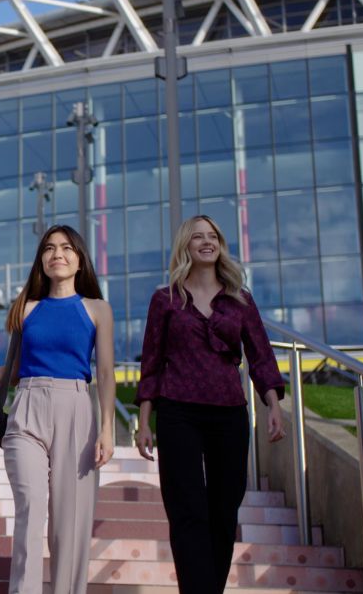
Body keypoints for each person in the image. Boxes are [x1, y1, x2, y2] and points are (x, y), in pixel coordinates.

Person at [0, 224, 116, 594]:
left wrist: (107, 429)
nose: (57, 253)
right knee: (31, 507)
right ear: (41, 260)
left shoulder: (98, 309)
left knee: (69, 522)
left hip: (76, 408)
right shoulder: (27, 307)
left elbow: (103, 372)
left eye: (67, 248)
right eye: (49, 248)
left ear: (80, 260)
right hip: (27, 411)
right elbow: (15, 371)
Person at [134, 215, 287, 594]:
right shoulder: (164, 299)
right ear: (186, 246)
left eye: (213, 235)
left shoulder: (240, 299)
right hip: (177, 412)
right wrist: (144, 421)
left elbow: (261, 355)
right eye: (198, 236)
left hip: (228, 413)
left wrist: (273, 404)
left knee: (223, 509)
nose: (207, 241)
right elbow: (151, 362)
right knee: (187, 510)